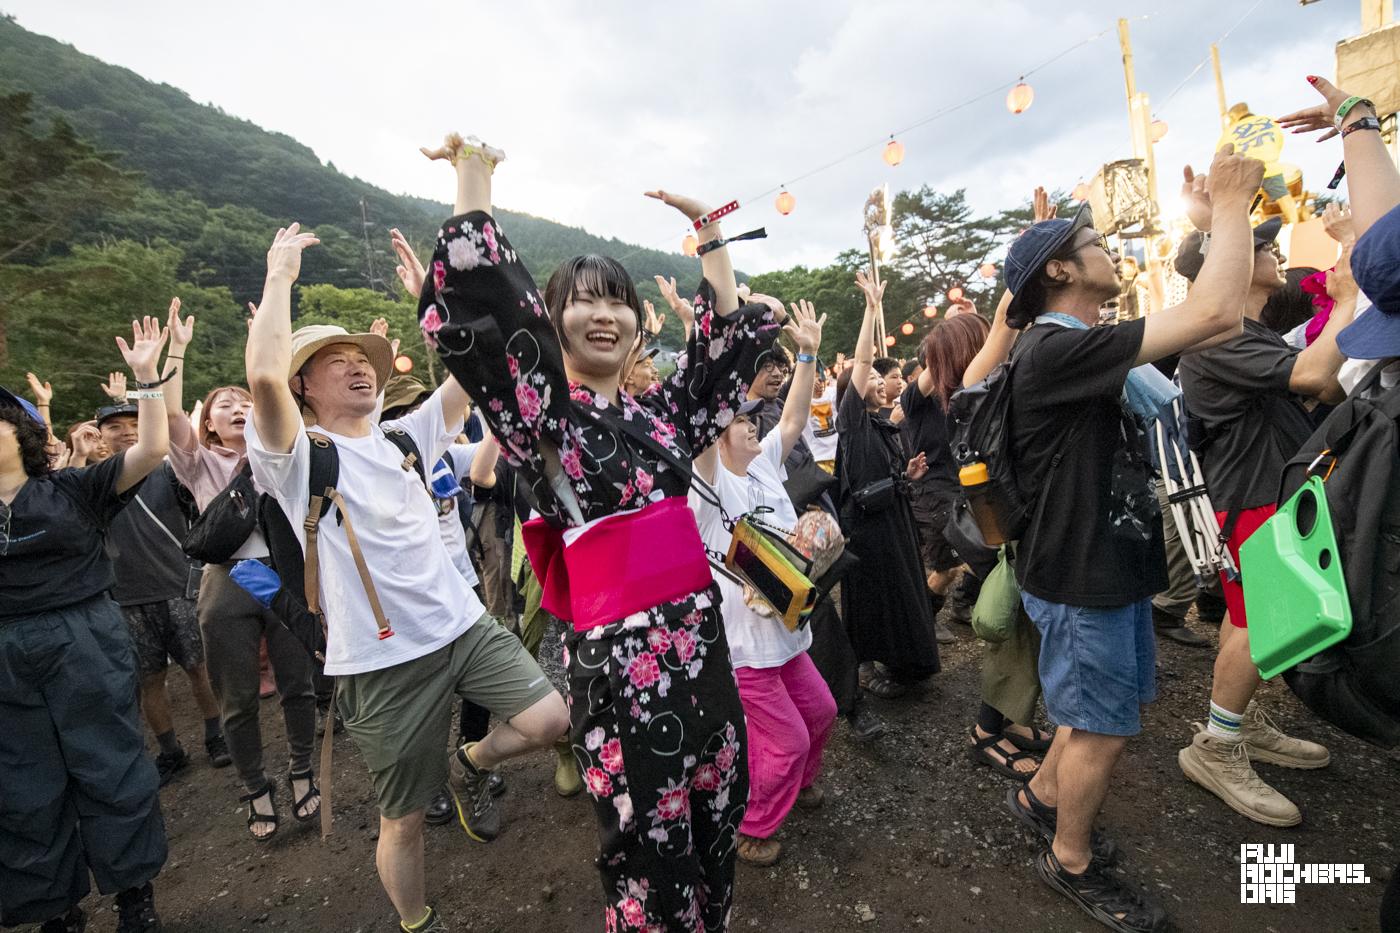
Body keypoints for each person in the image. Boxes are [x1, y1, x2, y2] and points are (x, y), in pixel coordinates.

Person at [417, 132, 777, 931]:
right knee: (649, 856)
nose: (605, 313)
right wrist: (474, 171)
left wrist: (711, 237)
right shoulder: (543, 421)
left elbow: (719, 362)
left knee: (718, 813)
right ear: (549, 321)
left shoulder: (658, 413)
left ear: (639, 321)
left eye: (618, 299)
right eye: (583, 299)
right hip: (622, 664)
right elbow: (484, 314)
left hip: (701, 644)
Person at [244, 219, 568, 933]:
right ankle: (418, 919)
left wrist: (439, 297)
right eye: (336, 360)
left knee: (552, 718)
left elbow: (470, 374)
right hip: (384, 662)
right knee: (404, 822)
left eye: (363, 356)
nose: (359, 364)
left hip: (462, 626)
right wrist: (280, 278)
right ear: (304, 383)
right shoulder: (299, 459)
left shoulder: (403, 435)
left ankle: (470, 759)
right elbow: (261, 377)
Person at [1000, 145, 1264, 933]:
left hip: (1098, 563)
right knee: (1103, 725)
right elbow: (1217, 312)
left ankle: (1042, 797)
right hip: (1081, 571)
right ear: (1058, 274)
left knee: (1090, 714)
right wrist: (1230, 208)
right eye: (1090, 245)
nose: (1106, 251)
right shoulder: (1054, 347)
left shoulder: (1067, 347)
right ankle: (1069, 858)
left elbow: (1205, 320)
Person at [1172, 198, 1353, 830]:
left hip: (1260, 490)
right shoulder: (1216, 337)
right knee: (1257, 625)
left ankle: (1239, 722)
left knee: (1247, 621)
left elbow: (1327, 384)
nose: (1272, 251)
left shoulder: (1248, 333)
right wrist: (1352, 290)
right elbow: (1314, 375)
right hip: (1249, 493)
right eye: (1259, 244)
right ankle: (1217, 747)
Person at [0, 318, 172, 933]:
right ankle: (54, 907)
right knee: (20, 782)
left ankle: (134, 892)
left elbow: (150, 451)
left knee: (109, 762)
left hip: (83, 637)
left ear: (20, 433)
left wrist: (148, 380)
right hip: (5, 650)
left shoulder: (75, 489)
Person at [156, 298, 321, 840]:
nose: (235, 407)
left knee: (299, 683)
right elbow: (172, 416)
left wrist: (264, 339)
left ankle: (302, 772)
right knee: (238, 697)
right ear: (208, 423)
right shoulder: (199, 462)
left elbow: (275, 387)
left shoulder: (277, 451)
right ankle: (255, 787)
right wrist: (176, 349)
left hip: (282, 573)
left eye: (242, 400)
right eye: (222, 405)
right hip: (226, 578)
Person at [691, 299, 837, 867]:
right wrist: (716, 330)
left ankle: (795, 785)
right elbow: (705, 416)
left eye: (755, 420)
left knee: (821, 713)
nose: (755, 425)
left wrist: (807, 353)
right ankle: (751, 826)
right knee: (788, 739)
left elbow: (796, 417)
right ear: (720, 435)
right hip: (746, 649)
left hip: (786, 629)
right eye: (742, 422)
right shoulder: (707, 490)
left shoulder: (765, 465)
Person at [92, 385, 227, 784]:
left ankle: (215, 736)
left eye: (134, 422)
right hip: (126, 597)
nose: (126, 431)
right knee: (150, 678)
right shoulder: (93, 481)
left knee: (198, 668)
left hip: (177, 586)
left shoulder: (168, 471)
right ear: (100, 434)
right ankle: (170, 750)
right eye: (114, 426)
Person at [838, 271, 940, 701]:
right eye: (874, 383)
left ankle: (904, 664)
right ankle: (869, 668)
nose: (881, 386)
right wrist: (871, 308)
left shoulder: (884, 427)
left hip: (894, 521)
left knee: (903, 590)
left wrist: (907, 476)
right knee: (877, 599)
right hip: (868, 530)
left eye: (883, 383)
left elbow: (889, 477)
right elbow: (862, 363)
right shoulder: (853, 422)